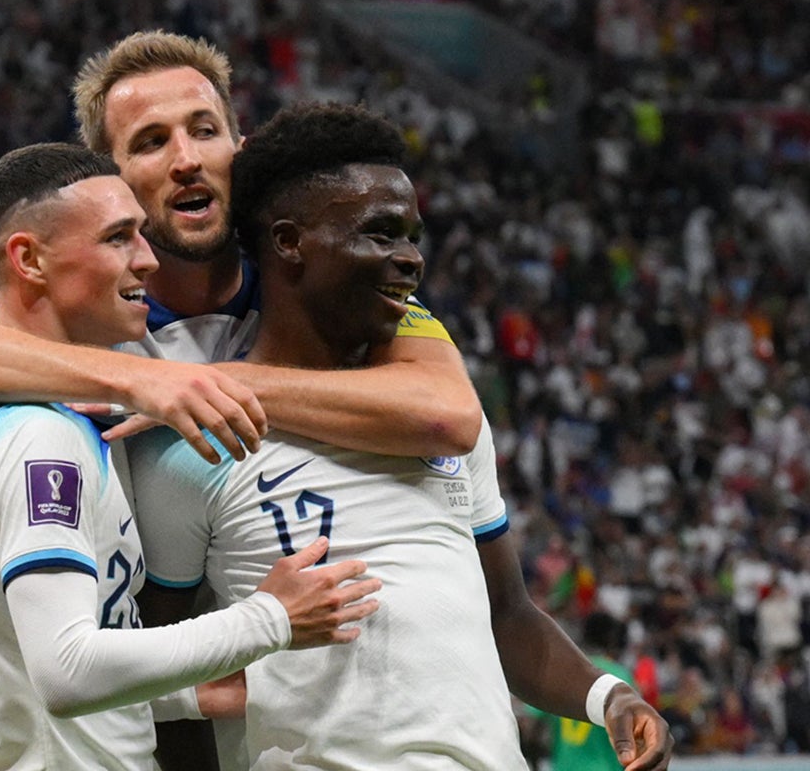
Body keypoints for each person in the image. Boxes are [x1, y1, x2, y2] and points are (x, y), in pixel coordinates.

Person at [128, 103, 673, 770]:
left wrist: (609, 697)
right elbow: (157, 672)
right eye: (381, 233)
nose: (410, 258)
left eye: (412, 235)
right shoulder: (195, 441)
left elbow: (507, 613)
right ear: (290, 241)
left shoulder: (439, 411)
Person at [0, 141, 381, 771]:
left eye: (141, 235)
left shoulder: (56, 419)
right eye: (118, 239)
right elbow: (67, 671)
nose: (146, 260)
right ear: (28, 259)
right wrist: (269, 619)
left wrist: (191, 695)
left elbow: (33, 672)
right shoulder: (39, 437)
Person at [0, 30, 482, 466]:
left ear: (237, 147)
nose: (187, 160)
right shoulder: (90, 300)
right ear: (110, 178)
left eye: (203, 131)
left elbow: (447, 413)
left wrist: (205, 383)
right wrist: (135, 381)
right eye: (150, 142)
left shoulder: (308, 276)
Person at [527, 612, 641, 770]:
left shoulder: (559, 673)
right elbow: (638, 734)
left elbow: (531, 728)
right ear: (611, 639)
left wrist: (535, 766)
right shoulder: (619, 677)